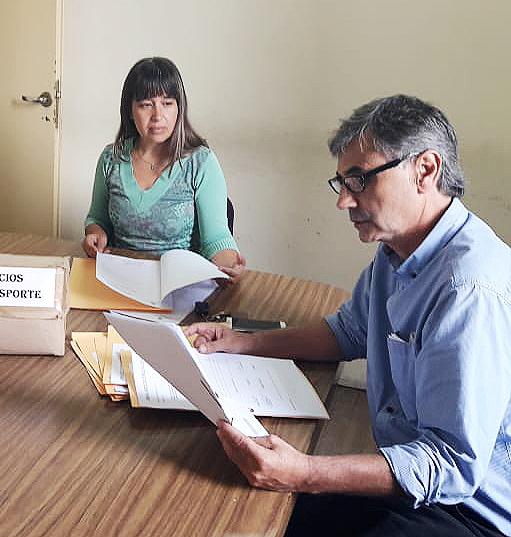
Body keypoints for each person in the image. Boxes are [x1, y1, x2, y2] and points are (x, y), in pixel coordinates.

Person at [185, 95, 511, 537]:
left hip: (470, 512)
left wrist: (305, 472)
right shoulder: (396, 253)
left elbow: (451, 465)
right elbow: (348, 332)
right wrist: (242, 342)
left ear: (425, 170)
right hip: (413, 482)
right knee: (257, 512)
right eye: (341, 183)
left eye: (359, 180)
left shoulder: (468, 289)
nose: (343, 202)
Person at [82, 57, 245, 281]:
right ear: (130, 110)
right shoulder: (111, 158)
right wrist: (94, 234)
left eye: (167, 103)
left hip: (178, 283)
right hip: (120, 279)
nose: (158, 116)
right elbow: (97, 219)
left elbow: (216, 239)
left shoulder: (201, 163)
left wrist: (229, 264)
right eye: (146, 105)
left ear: (179, 108)